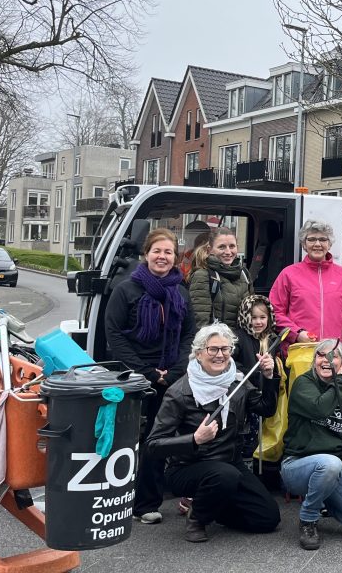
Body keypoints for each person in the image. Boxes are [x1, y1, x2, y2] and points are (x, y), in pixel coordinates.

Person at [146, 323, 281, 542]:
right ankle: (197, 518)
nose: (220, 355)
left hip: (230, 463)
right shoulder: (179, 392)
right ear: (199, 353)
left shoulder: (237, 380)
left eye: (225, 349)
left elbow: (266, 409)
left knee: (267, 518)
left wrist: (268, 376)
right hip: (188, 467)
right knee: (224, 475)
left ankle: (211, 505)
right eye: (213, 349)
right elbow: (153, 445)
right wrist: (194, 439)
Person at [104, 227, 195, 525]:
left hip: (171, 376)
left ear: (175, 257)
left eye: (168, 252)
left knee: (159, 438)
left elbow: (188, 335)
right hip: (135, 376)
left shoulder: (181, 292)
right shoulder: (126, 290)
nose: (162, 256)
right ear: (146, 254)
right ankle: (116, 496)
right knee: (129, 438)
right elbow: (114, 334)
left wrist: (175, 371)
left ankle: (147, 503)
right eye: (157, 251)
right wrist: (146, 371)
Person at [281, 339, 342, 550]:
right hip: (297, 464)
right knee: (330, 464)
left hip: (336, 468)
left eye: (333, 356)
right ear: (314, 360)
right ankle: (308, 518)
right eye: (321, 355)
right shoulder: (303, 384)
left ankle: (326, 499)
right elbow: (320, 410)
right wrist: (340, 381)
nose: (326, 360)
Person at [271, 220, 342, 355]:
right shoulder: (288, 274)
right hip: (300, 352)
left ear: (329, 244)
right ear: (304, 244)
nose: (317, 244)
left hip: (334, 352)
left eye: (323, 239)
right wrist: (296, 333)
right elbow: (275, 312)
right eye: (312, 239)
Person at [235, 294, 290, 468]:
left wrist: (270, 372)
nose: (258, 322)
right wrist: (254, 373)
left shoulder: (272, 340)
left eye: (262, 317)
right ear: (245, 317)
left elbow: (277, 369)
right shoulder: (238, 338)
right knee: (246, 438)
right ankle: (246, 467)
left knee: (261, 437)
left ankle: (259, 469)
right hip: (246, 396)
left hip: (265, 395)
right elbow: (233, 365)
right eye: (253, 317)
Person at [189, 227, 253, 337]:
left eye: (232, 246)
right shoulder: (203, 275)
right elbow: (200, 322)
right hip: (217, 343)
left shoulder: (244, 274)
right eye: (221, 247)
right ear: (210, 249)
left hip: (241, 341)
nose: (228, 252)